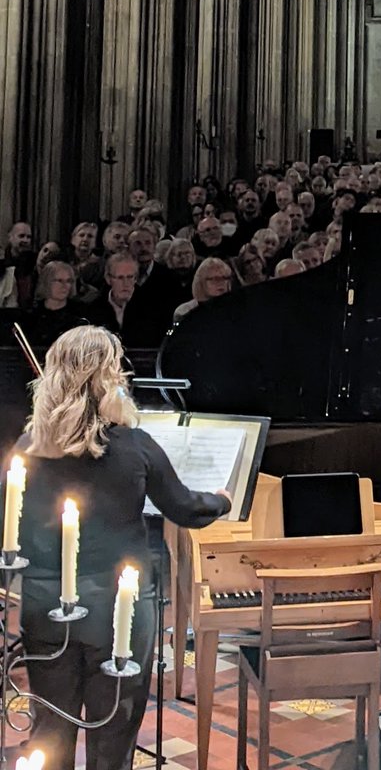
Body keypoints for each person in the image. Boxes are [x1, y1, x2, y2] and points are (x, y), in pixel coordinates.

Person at [12, 327, 231, 770]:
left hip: (44, 602)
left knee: (50, 727)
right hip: (121, 605)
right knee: (115, 729)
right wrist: (223, 500)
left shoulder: (28, 449)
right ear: (108, 379)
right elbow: (185, 507)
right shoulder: (133, 446)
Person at [22, 262, 88, 347]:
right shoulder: (30, 314)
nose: (64, 286)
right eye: (59, 281)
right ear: (46, 282)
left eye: (68, 281)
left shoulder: (80, 314)